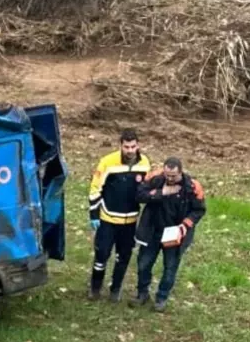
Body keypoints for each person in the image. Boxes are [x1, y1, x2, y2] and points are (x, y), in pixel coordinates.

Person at [87, 128, 152, 302]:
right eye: (126, 147)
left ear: (138, 145)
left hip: (130, 221)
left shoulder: (145, 163)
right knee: (102, 256)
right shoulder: (107, 162)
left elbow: (147, 189)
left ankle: (115, 289)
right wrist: (94, 215)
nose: (130, 150)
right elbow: (95, 188)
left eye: (133, 146)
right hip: (107, 219)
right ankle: (95, 288)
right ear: (120, 146)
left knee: (123, 258)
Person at [133, 157, 206, 312]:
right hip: (152, 230)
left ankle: (162, 297)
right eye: (167, 175)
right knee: (143, 264)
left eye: (173, 176)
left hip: (175, 234)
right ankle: (142, 293)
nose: (170, 178)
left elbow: (199, 210)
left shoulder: (192, 187)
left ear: (181, 172)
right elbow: (139, 195)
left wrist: (185, 225)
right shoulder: (155, 178)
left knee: (170, 268)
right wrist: (161, 192)